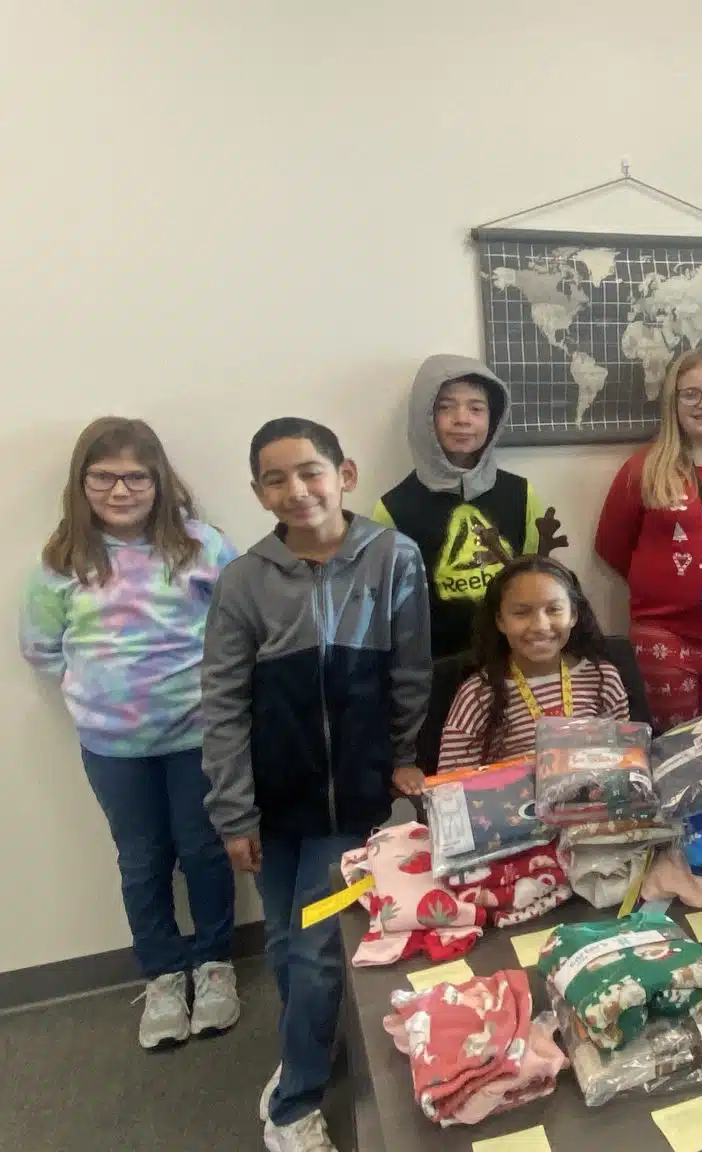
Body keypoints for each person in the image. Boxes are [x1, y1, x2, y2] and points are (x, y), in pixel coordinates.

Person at [201, 418, 431, 1152]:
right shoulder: (244, 579)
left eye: (310, 472)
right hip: (273, 799)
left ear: (345, 474)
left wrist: (400, 755)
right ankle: (311, 1044)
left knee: (318, 948)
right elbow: (223, 702)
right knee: (284, 939)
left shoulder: (393, 556)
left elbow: (410, 671)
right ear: (258, 492)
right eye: (275, 479)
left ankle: (293, 1101)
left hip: (353, 796)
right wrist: (234, 811)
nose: (296, 490)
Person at [19, 417, 239, 1052]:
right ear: (80, 484)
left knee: (205, 850)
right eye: (104, 477)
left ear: (159, 481)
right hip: (113, 748)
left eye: (136, 477)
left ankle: (214, 964)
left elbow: (237, 627)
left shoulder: (201, 546)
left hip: (199, 737)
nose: (120, 491)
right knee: (141, 860)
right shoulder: (60, 563)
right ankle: (163, 975)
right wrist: (100, 695)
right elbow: (40, 648)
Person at [595, 348, 702, 731]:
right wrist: (665, 585)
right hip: (664, 635)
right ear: (673, 404)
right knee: (673, 744)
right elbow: (611, 545)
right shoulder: (644, 468)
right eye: (690, 394)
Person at [374, 354, 565, 659]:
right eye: (445, 407)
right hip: (438, 664)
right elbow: (391, 607)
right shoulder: (394, 509)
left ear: (493, 418)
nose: (462, 419)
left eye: (476, 408)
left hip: (515, 659)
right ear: (424, 417)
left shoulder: (520, 493)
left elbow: (538, 580)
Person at [437, 555, 629, 770]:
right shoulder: (478, 695)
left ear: (573, 615)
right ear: (500, 620)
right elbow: (452, 781)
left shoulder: (602, 679)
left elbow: (625, 759)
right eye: (521, 613)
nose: (540, 626)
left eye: (553, 609)